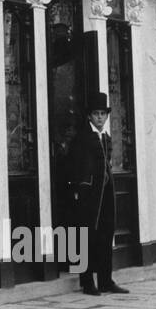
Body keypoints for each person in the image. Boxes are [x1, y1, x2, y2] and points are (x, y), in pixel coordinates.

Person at [61, 91, 130, 297]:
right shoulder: (82, 138)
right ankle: (87, 281)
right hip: (88, 195)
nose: (100, 117)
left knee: (106, 234)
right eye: (96, 114)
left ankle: (106, 280)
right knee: (87, 236)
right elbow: (73, 166)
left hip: (105, 194)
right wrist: (77, 189)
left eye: (103, 114)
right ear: (89, 116)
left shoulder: (106, 138)